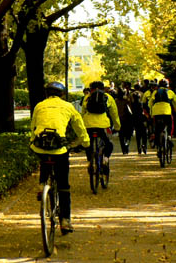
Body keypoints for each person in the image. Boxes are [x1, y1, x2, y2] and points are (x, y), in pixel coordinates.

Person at [30, 81, 90, 235]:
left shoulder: (39, 106)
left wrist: (32, 141)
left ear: (46, 93)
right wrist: (85, 142)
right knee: (63, 185)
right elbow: (79, 126)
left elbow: (33, 127)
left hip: (40, 145)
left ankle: (42, 184)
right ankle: (65, 220)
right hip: (58, 148)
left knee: (45, 158)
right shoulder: (68, 106)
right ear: (62, 94)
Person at [81, 80, 120, 173]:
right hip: (103, 125)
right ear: (103, 89)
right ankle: (105, 159)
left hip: (88, 125)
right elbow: (114, 114)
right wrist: (117, 127)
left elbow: (82, 113)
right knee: (108, 143)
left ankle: (90, 161)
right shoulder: (108, 97)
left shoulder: (86, 97)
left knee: (88, 143)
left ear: (91, 89)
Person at [149, 79, 176, 155]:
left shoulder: (155, 92)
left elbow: (150, 103)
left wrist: (151, 113)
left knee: (157, 128)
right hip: (167, 112)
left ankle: (158, 146)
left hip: (156, 112)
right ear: (168, 86)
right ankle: (170, 136)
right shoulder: (170, 92)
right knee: (170, 123)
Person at [130, 83, 147, 154]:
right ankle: (144, 145)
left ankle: (139, 147)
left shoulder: (132, 98)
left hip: (135, 118)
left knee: (137, 134)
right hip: (142, 119)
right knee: (144, 133)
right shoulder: (142, 101)